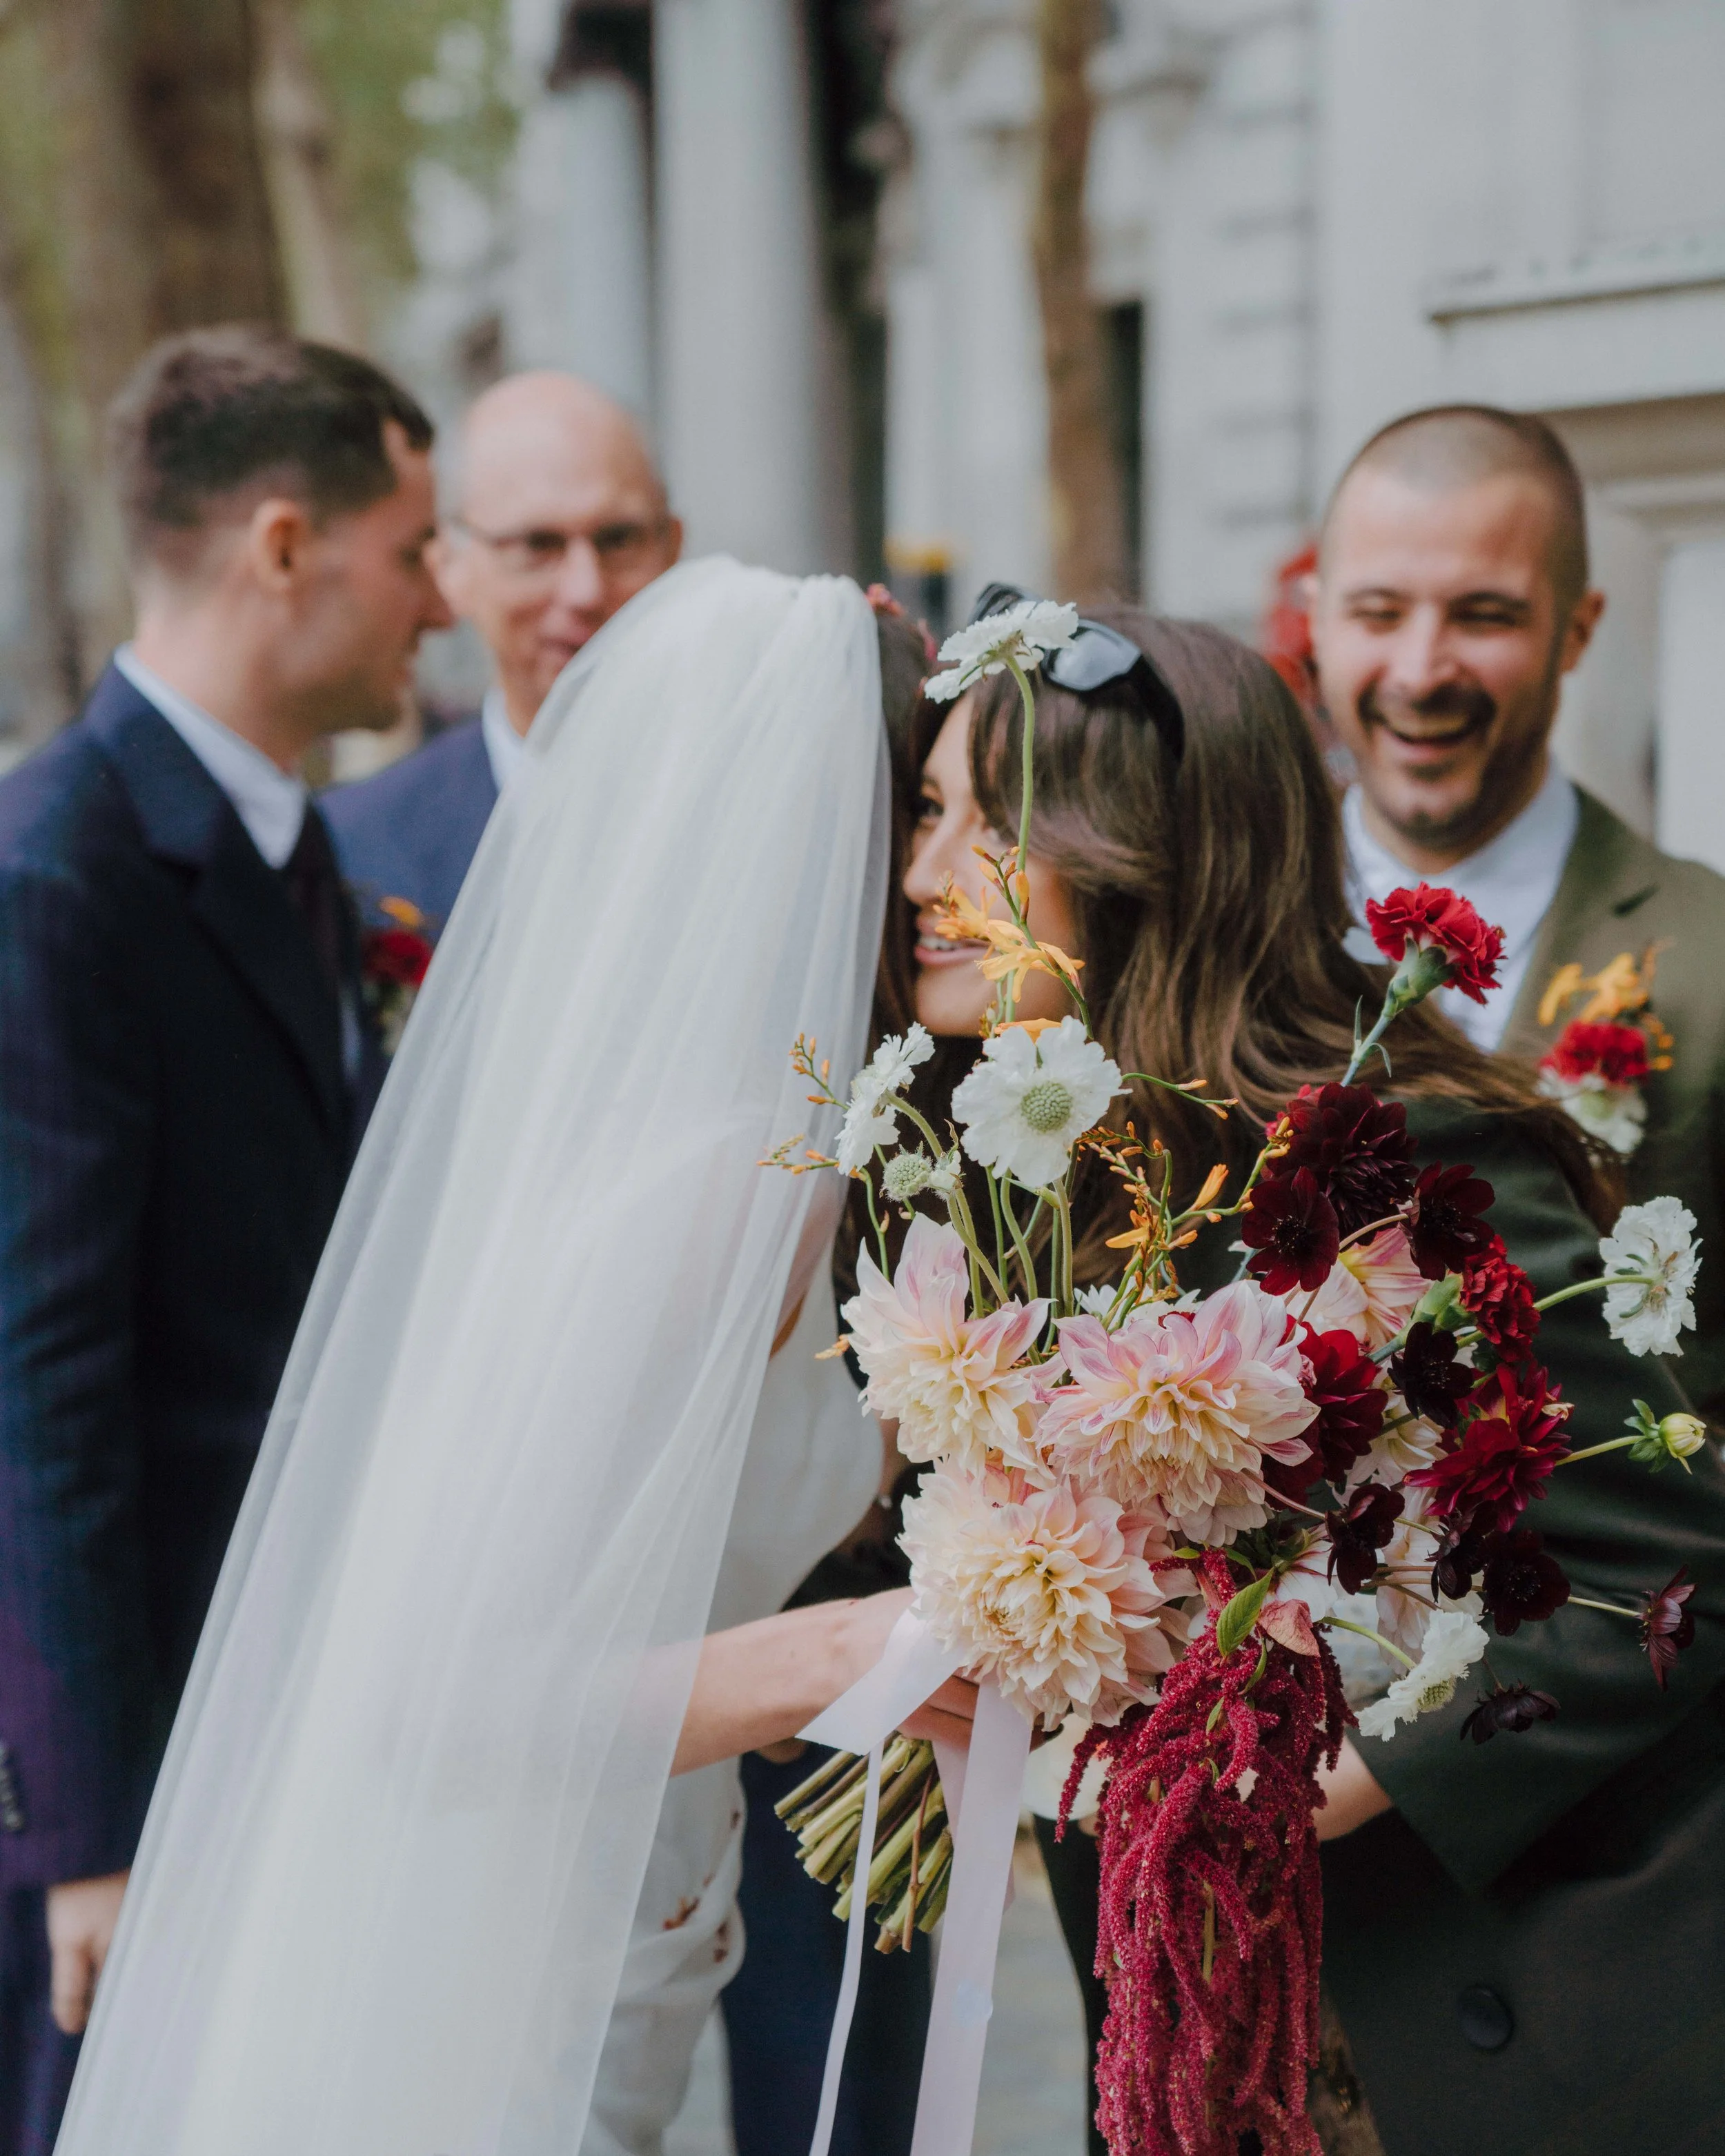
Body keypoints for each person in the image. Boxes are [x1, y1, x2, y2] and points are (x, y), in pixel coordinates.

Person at [48, 559, 947, 2156]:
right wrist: (840, 1653)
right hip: (490, 1953)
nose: (962, 864)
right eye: (933, 813)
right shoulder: (721, 1182)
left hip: (615, 1895)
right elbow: (436, 1698)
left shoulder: (761, 1147)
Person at [891, 592, 1725, 2156]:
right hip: (1195, 2011)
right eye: (925, 813)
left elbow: (1659, 1567)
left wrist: (1323, 1776)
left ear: (1142, 850)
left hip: (1516, 2019)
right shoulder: (1028, 1184)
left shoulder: (1400, 1148)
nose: (923, 874)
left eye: (982, 824)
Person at [0, 325, 452, 2156]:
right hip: (135, 1764)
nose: (440, 601)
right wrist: (85, 1831)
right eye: (412, 551)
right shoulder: (56, 871)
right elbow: (34, 1382)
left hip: (292, 1707)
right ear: (284, 544)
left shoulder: (298, 851)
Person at [1310, 404, 1725, 1427]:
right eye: (1377, 613)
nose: (1421, 671)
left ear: (1576, 630)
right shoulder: (1227, 921)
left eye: (1483, 615)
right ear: (1316, 618)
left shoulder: (1710, 949)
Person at [322, 370, 682, 931]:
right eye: (537, 545)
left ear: (673, 548)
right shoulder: (353, 846)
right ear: (451, 567)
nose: (586, 590)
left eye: (618, 539)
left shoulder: (774, 795)